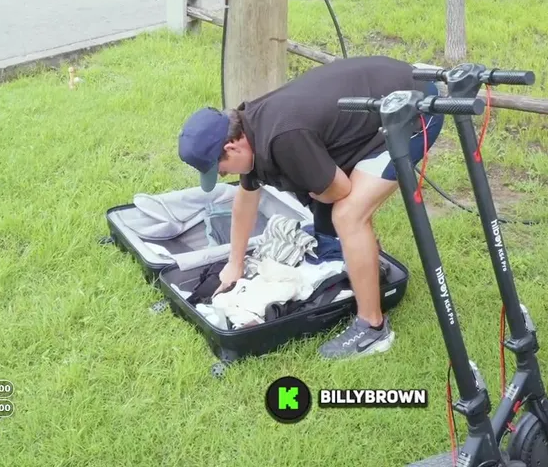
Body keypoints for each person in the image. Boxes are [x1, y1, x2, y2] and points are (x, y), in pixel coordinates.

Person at [176, 55, 443, 359]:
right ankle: (370, 265)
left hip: (412, 109)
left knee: (348, 215)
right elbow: (245, 200)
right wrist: (234, 264)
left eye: (221, 169)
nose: (224, 175)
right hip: (377, 99)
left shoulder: (283, 137)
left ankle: (373, 328)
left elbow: (340, 190)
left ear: (232, 146)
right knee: (329, 212)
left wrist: (318, 192)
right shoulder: (248, 128)